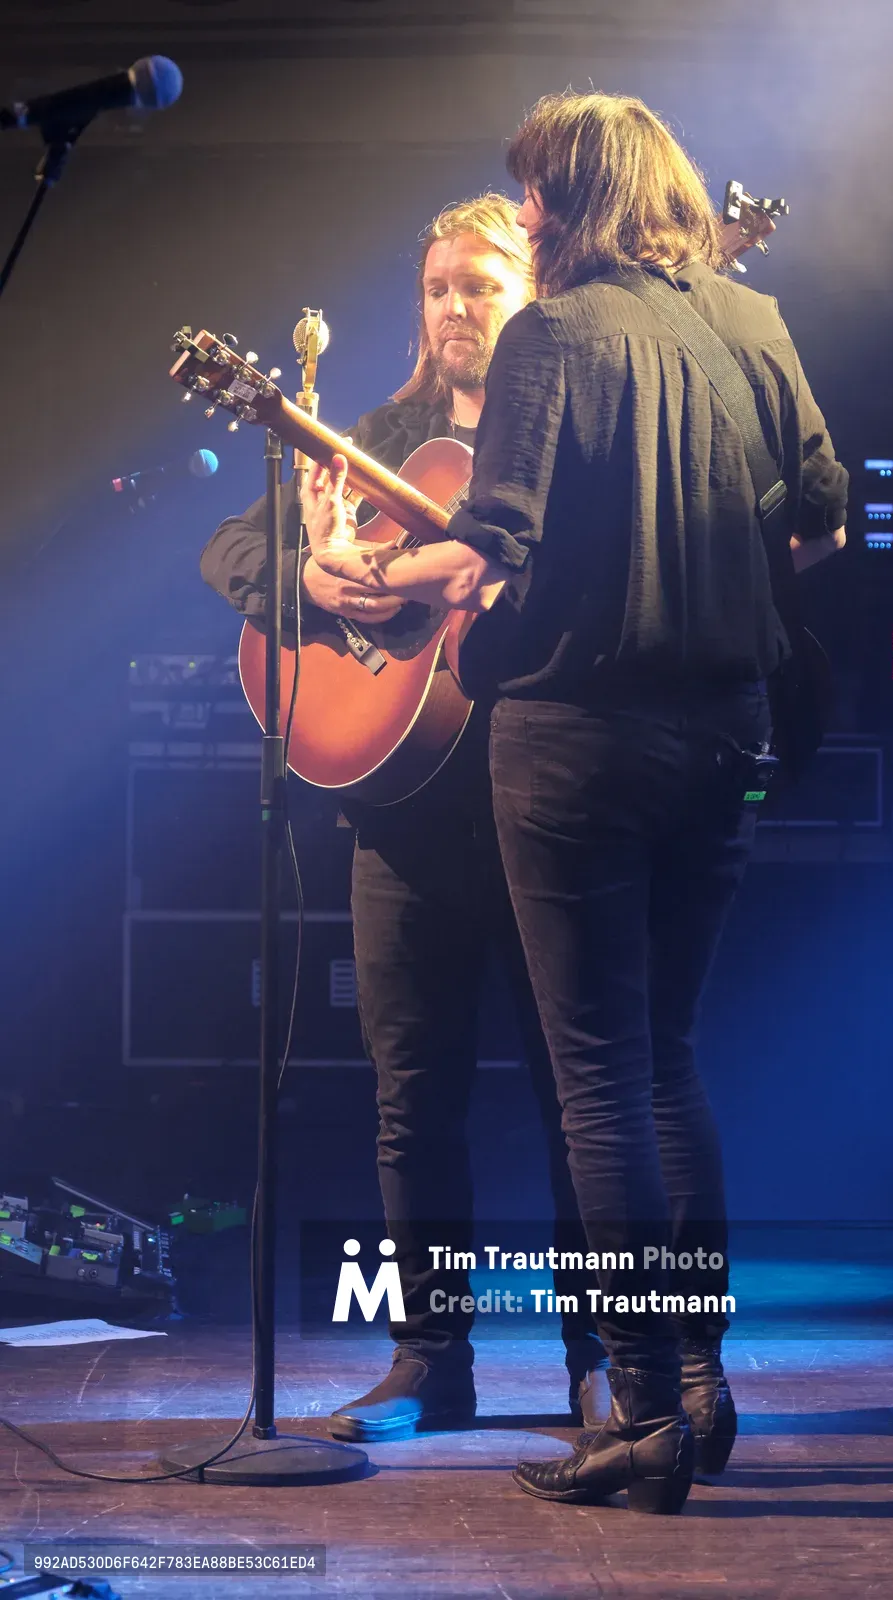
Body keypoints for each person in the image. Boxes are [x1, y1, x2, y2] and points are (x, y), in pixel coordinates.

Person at [301, 92, 850, 1512]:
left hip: (577, 740)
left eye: (538, 191)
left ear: (577, 198)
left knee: (600, 1076)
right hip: (724, 734)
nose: (529, 216)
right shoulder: (752, 320)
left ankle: (644, 1410)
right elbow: (822, 520)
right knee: (667, 1065)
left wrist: (369, 578)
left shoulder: (552, 334)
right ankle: (702, 1386)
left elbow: (492, 544)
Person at [200, 193, 610, 1442]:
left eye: (479, 284)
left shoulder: (579, 434)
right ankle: (431, 1361)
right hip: (403, 822)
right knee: (410, 1096)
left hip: (549, 808)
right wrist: (312, 578)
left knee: (580, 1101)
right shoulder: (375, 437)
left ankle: (603, 1364)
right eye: (436, 287)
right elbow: (230, 552)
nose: (452, 308)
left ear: (533, 296)